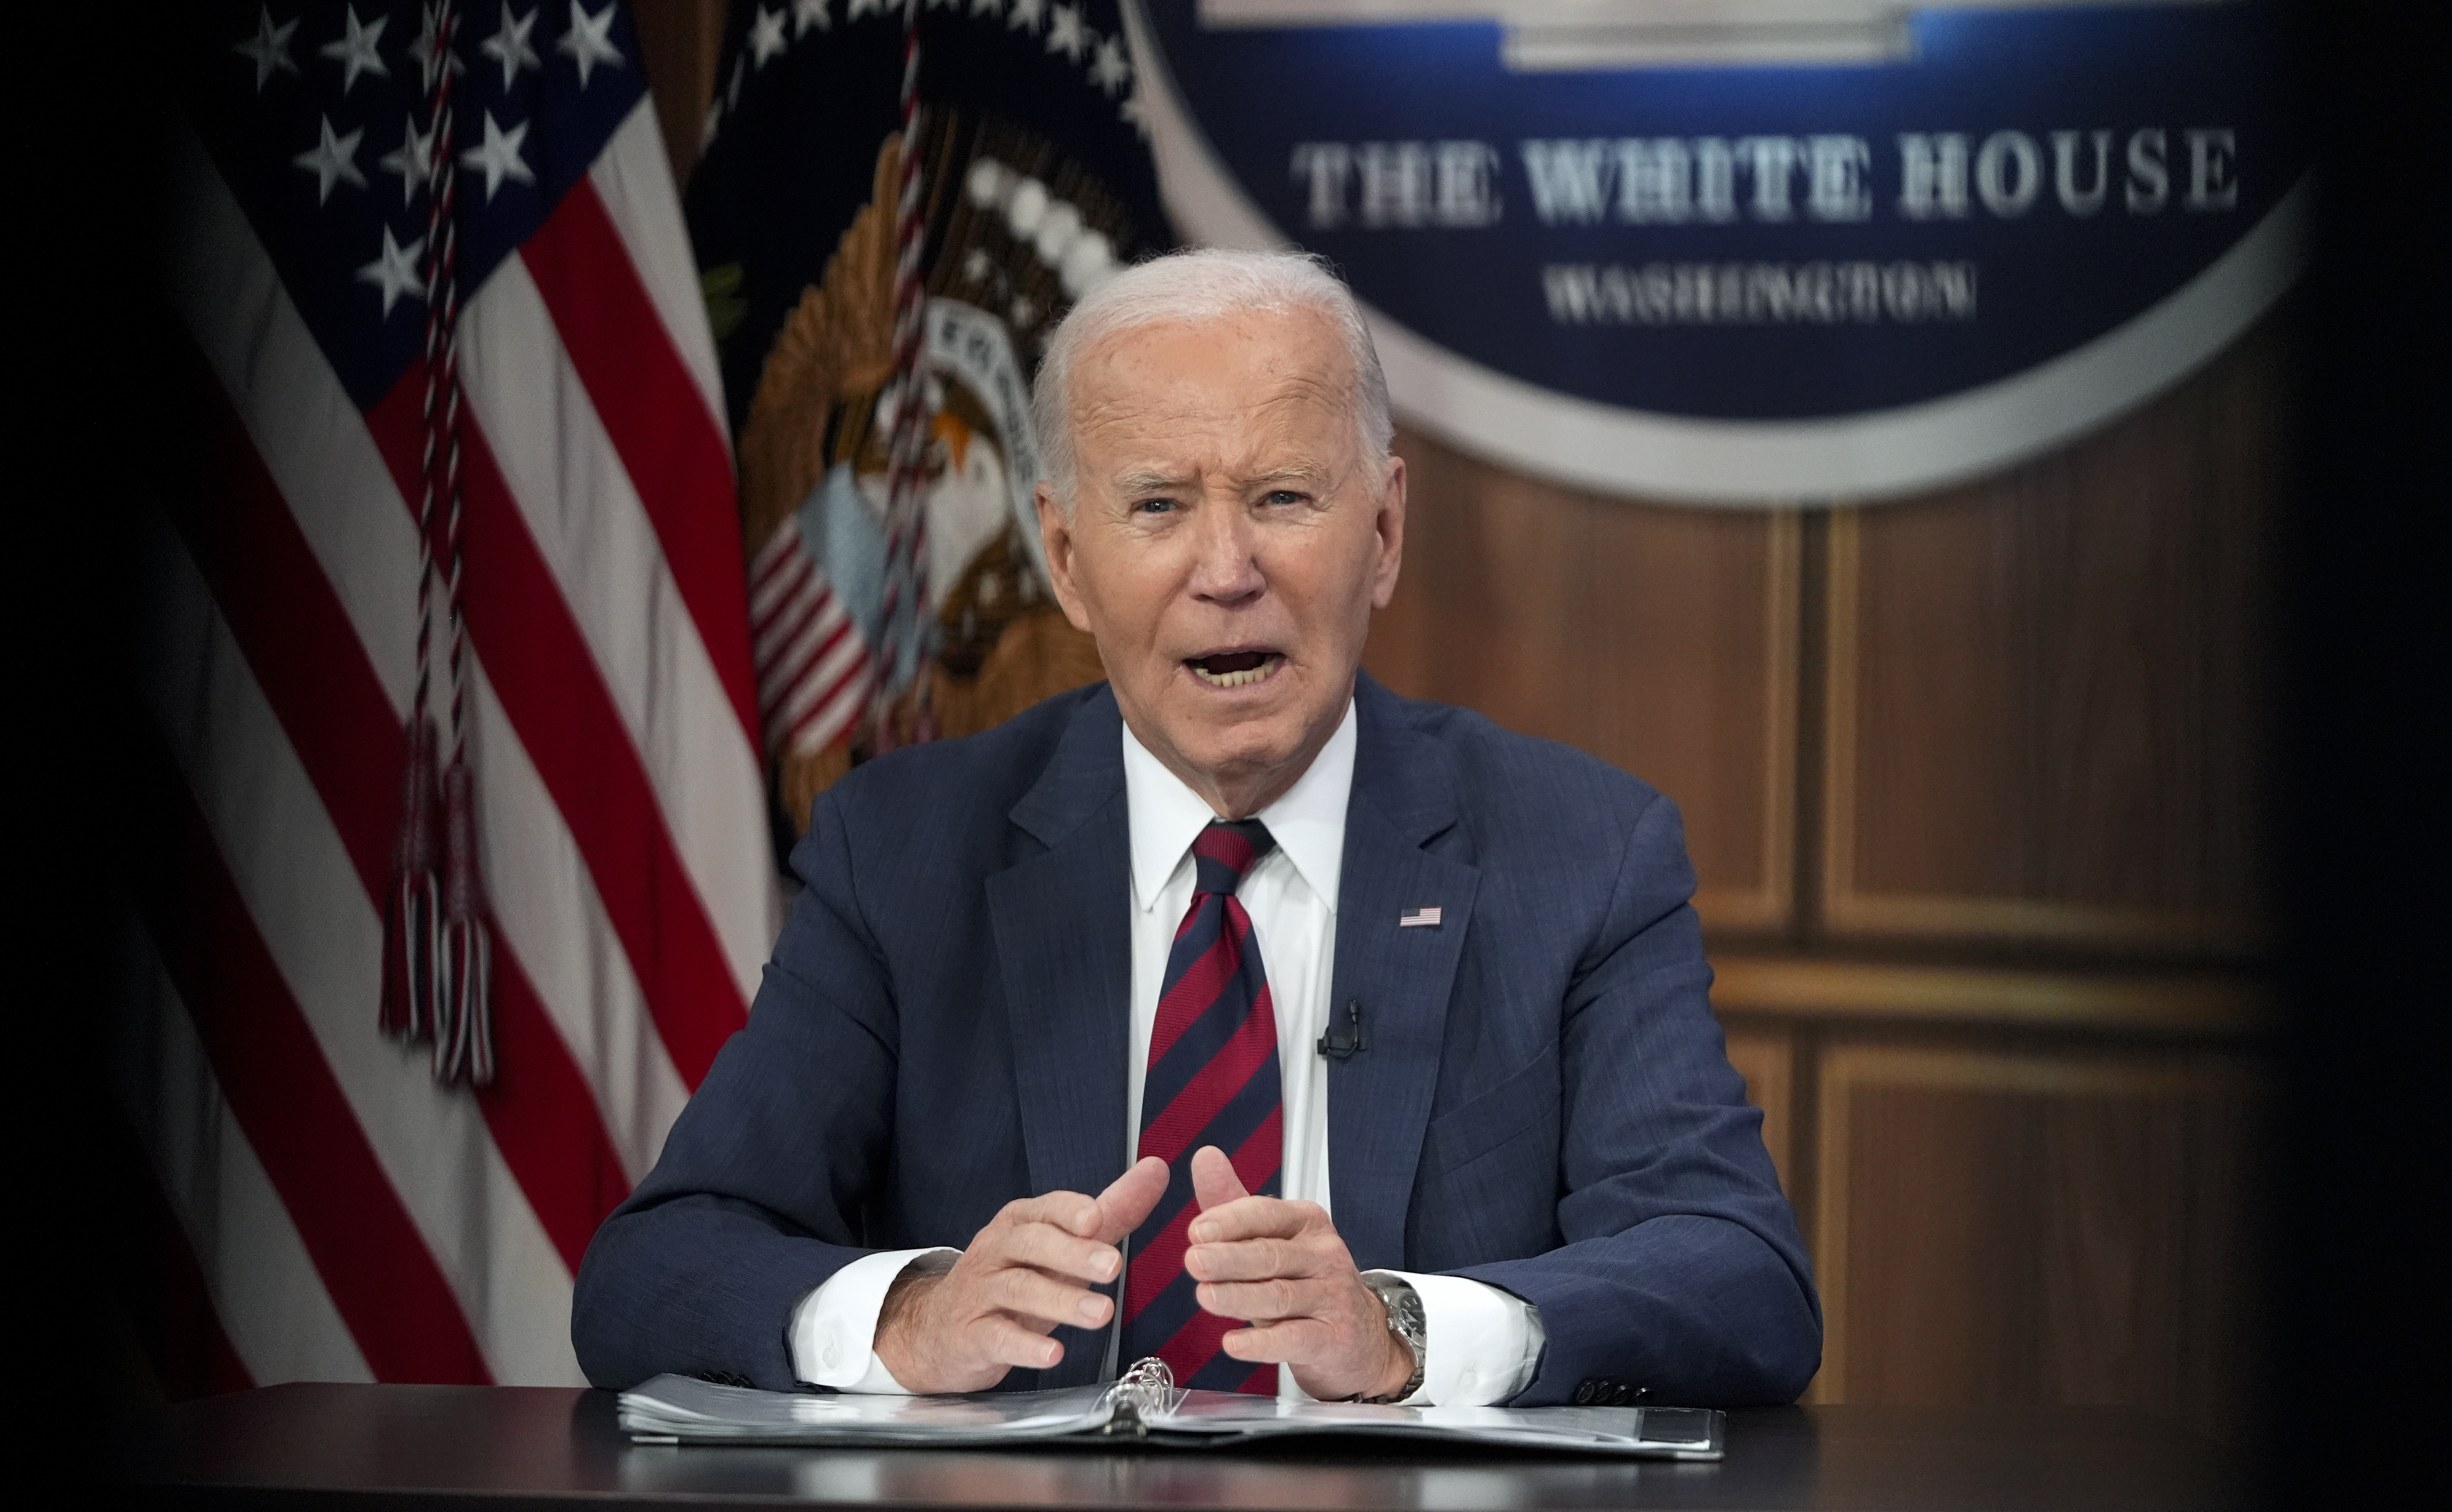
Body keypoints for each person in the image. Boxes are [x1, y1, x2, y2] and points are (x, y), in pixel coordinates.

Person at [573, 249, 1819, 1408]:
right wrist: (906, 1317)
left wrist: (1407, 1334)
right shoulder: (906, 856)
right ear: (1065, 557)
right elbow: (655, 1269)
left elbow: (1738, 1275)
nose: (1227, 569)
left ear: (1382, 533)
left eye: (1282, 495)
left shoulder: (1580, 853)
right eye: (1159, 507)